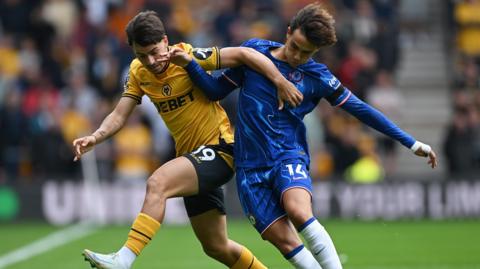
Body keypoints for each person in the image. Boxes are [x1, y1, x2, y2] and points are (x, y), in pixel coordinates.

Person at [167, 3, 438, 269]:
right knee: (287, 244)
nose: (297, 56)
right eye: (295, 46)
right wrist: (191, 65)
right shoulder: (254, 53)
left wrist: (411, 142)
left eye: (306, 53)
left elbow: (362, 110)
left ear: (316, 51)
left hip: (288, 155)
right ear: (288, 31)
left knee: (298, 211)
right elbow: (215, 91)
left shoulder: (318, 77)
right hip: (249, 168)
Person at [73, 10, 303, 269]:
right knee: (216, 247)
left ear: (165, 41)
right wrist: (96, 136)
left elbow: (244, 54)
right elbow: (119, 113)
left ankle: (123, 259)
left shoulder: (187, 55)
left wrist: (280, 81)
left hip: (220, 149)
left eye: (154, 51)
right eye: (141, 55)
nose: (150, 61)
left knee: (157, 183)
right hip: (192, 160)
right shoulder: (138, 73)